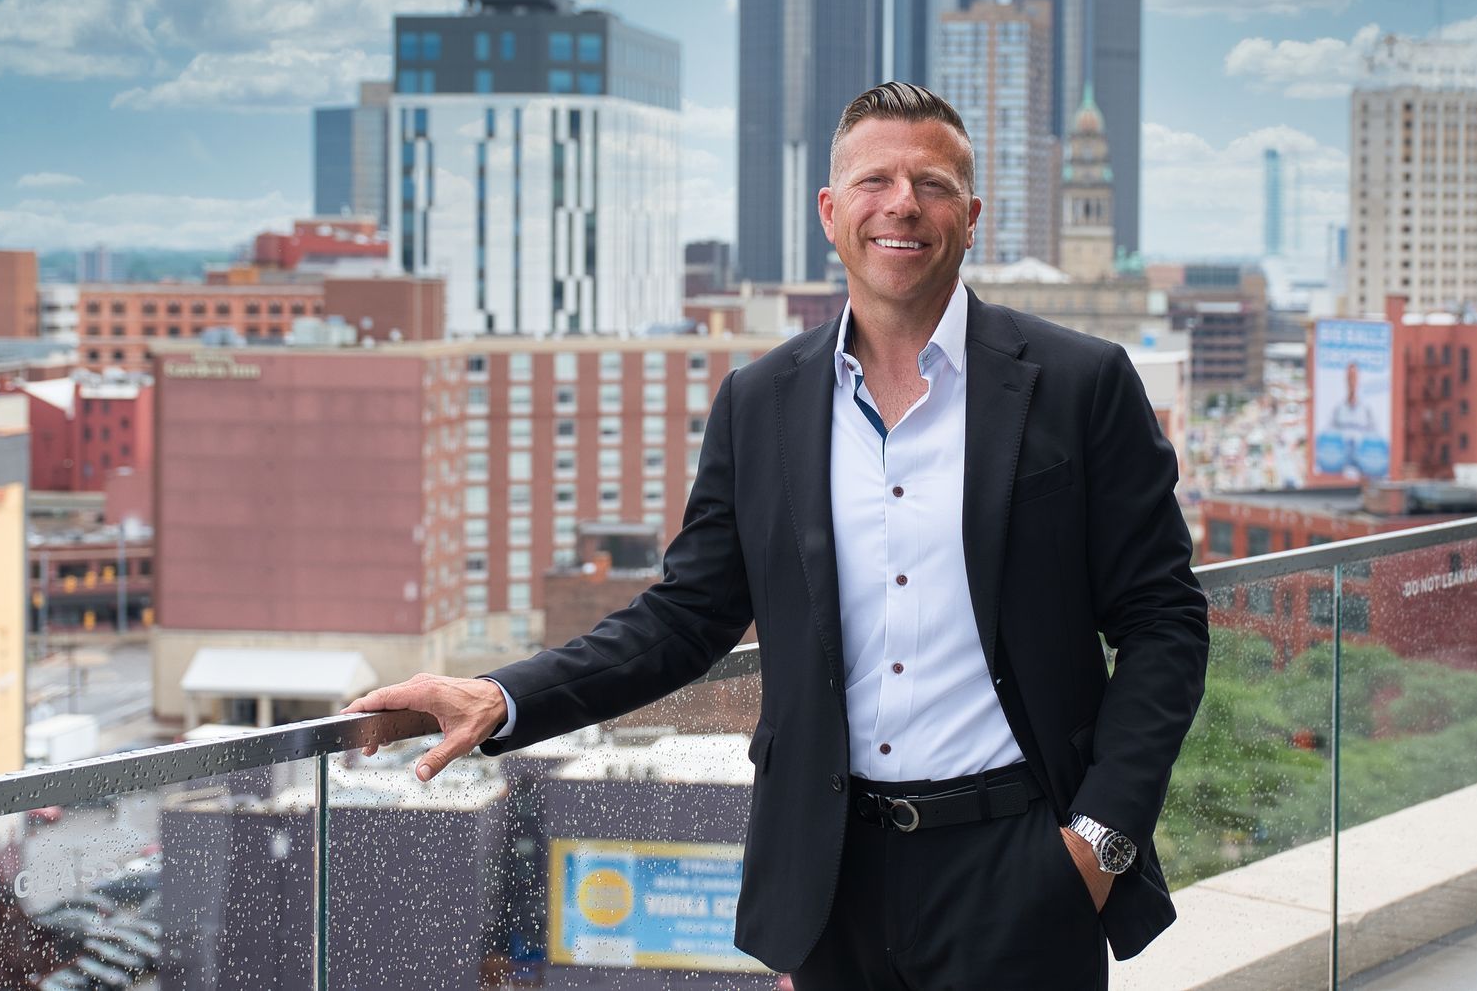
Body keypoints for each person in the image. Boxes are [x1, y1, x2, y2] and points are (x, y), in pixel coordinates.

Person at [346, 82, 1210, 989]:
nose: (903, 203)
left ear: (971, 215)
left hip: (1023, 861)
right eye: (875, 179)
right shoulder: (761, 403)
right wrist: (501, 695)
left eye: (933, 182)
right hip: (830, 876)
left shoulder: (1083, 384)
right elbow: (684, 618)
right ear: (831, 214)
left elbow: (1163, 621)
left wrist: (1099, 842)